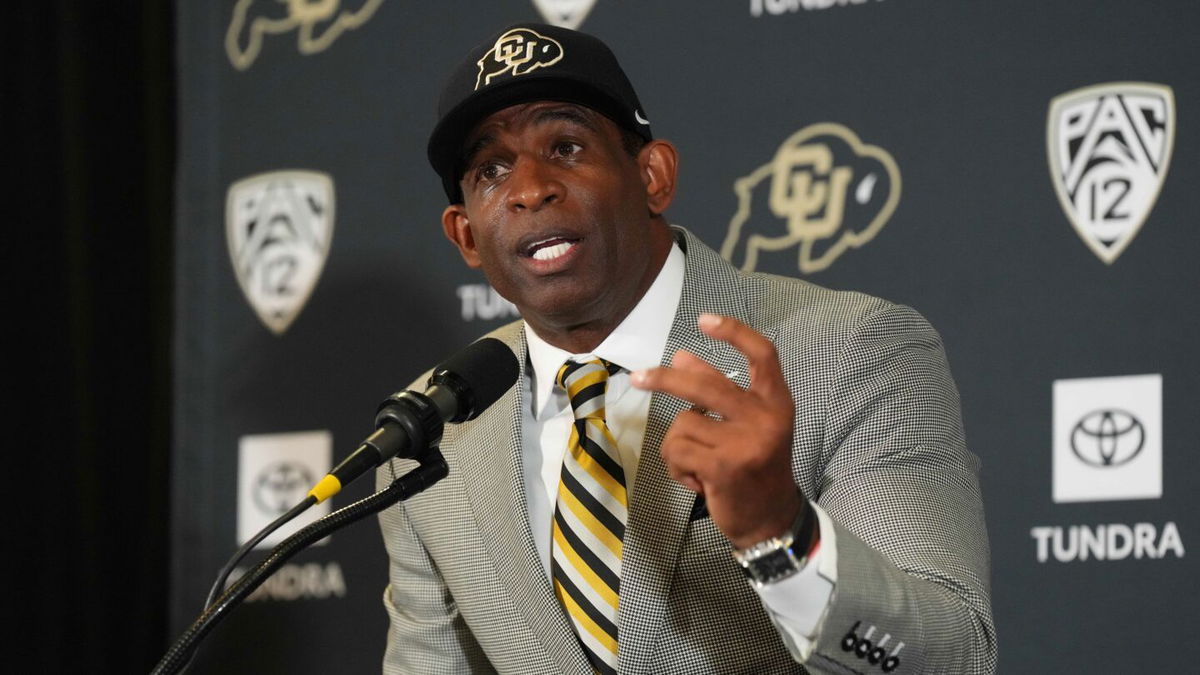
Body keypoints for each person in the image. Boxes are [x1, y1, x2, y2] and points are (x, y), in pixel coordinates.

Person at [378, 22, 995, 675]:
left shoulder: (851, 351)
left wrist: (780, 533)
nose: (530, 188)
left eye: (565, 147)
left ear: (653, 175)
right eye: (491, 169)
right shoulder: (434, 427)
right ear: (466, 236)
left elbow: (949, 659)